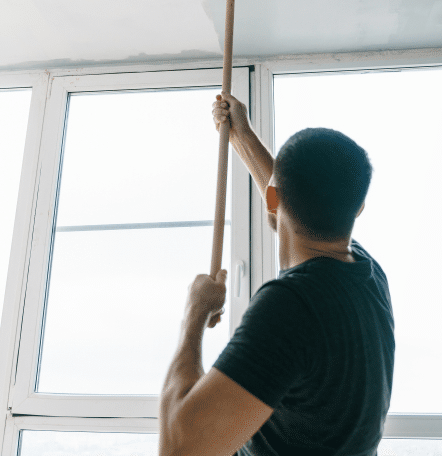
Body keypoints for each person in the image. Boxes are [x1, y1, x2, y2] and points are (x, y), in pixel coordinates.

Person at [158, 94, 395, 456]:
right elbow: (286, 210)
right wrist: (241, 136)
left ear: (275, 194)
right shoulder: (367, 273)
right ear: (359, 207)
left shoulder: (291, 306)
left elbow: (180, 448)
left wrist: (195, 313)